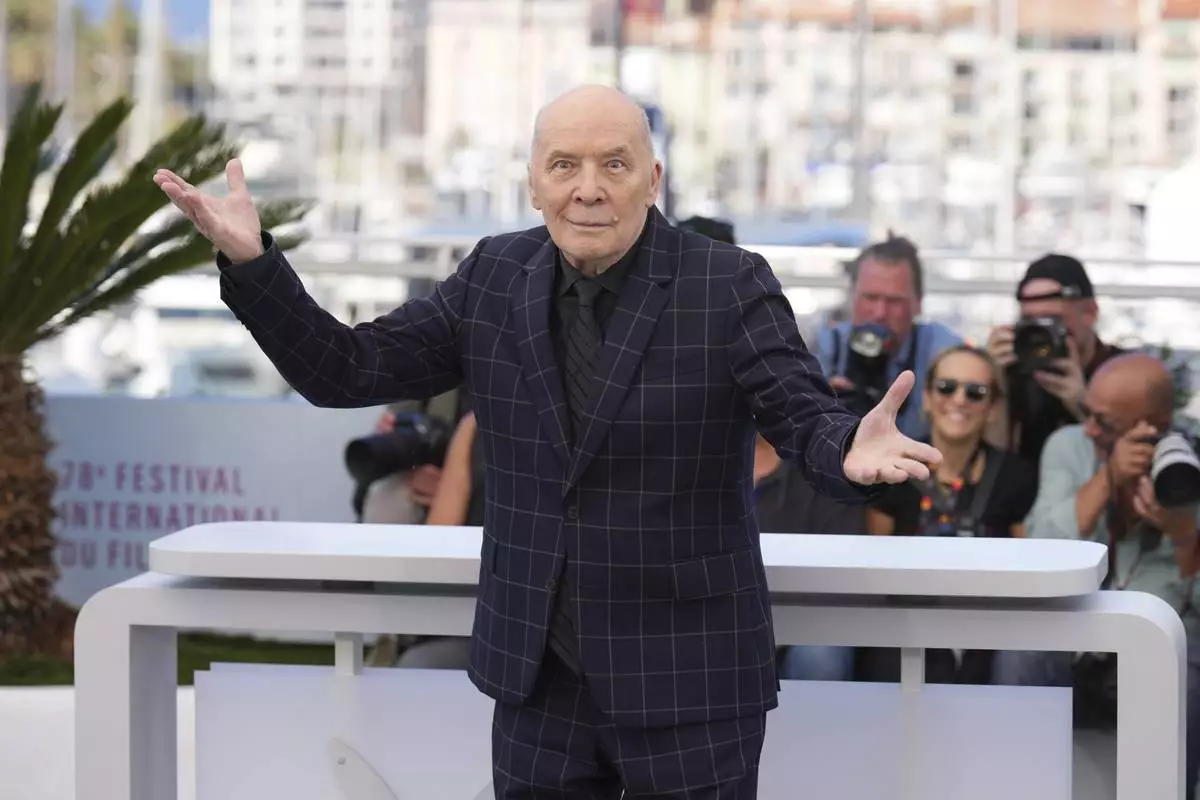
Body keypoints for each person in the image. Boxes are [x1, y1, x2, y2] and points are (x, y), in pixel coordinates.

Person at [155, 83, 941, 800]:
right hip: (541, 683)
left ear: (654, 180)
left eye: (614, 165)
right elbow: (347, 369)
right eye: (564, 165)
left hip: (688, 676)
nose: (587, 188)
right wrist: (253, 265)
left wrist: (848, 450)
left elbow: (802, 416)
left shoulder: (727, 283)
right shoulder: (493, 276)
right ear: (534, 183)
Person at [993, 353, 1200, 799]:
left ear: (1154, 425)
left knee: (1185, 678)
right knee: (1021, 650)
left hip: (1159, 652)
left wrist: (1186, 537)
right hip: (1075, 641)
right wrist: (1107, 478)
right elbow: (1037, 552)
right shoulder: (1070, 446)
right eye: (1087, 412)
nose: (1088, 428)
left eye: (1103, 422)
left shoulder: (1189, 467)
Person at [815, 234, 963, 440]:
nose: (880, 313)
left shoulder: (943, 353)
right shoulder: (826, 346)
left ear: (918, 303)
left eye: (894, 301)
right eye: (870, 298)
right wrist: (821, 405)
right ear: (852, 297)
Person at [984, 253, 1124, 465]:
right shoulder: (1015, 371)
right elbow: (992, 463)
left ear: (1090, 313)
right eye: (1030, 322)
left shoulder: (1122, 373)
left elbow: (1133, 461)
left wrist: (1084, 405)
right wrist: (992, 382)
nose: (1041, 334)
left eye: (1052, 321)